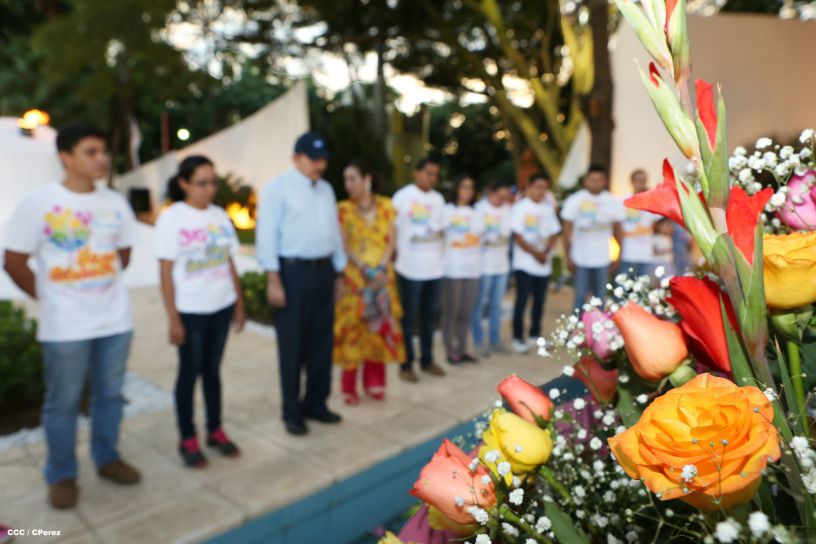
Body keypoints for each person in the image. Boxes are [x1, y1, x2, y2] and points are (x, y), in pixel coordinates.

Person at [3, 125, 141, 510]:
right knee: (63, 403)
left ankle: (107, 457)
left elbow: (123, 254)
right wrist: (47, 296)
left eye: (104, 151)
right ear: (65, 157)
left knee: (110, 396)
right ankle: (61, 474)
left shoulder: (116, 203)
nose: (101, 158)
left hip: (115, 321)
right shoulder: (39, 203)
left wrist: (95, 280)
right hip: (65, 326)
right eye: (90, 152)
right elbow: (13, 260)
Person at [155, 155, 246, 467]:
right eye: (201, 183)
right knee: (189, 373)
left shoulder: (220, 216)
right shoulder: (172, 219)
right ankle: (187, 436)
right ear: (184, 183)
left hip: (220, 306)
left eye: (213, 183)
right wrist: (173, 318)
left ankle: (215, 430)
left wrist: (239, 303)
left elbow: (228, 261)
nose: (209, 189)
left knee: (212, 371)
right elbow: (165, 271)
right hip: (191, 311)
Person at [256, 132, 347, 436]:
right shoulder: (277, 188)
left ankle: (316, 403)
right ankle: (292, 411)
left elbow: (333, 232)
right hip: (292, 273)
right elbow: (266, 234)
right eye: (313, 159)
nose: (320, 165)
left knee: (321, 343)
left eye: (323, 160)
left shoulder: (326, 189)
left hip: (323, 272)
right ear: (296, 157)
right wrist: (273, 279)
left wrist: (338, 273)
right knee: (293, 346)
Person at [333, 161, 405, 405]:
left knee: (377, 330)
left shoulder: (387, 206)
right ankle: (349, 386)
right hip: (355, 281)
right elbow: (344, 244)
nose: (347, 184)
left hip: (382, 279)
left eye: (352, 178)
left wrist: (381, 268)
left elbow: (391, 241)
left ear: (367, 179)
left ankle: (374, 382)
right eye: (345, 180)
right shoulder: (343, 209)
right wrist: (364, 268)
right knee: (354, 331)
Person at [392, 158, 447, 382]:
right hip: (409, 268)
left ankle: (427, 360)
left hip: (433, 269)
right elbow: (392, 229)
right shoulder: (402, 197)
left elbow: (442, 231)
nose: (432, 178)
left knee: (429, 318)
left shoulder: (438, 199)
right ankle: (406, 364)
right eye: (428, 173)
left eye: (435, 174)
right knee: (407, 318)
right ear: (416, 172)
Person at [561, 165, 625, 312]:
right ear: (585, 181)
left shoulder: (611, 200)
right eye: (592, 179)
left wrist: (619, 255)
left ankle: (599, 326)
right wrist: (568, 256)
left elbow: (618, 229)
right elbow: (567, 230)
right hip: (580, 257)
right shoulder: (575, 200)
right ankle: (577, 325)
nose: (595, 183)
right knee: (580, 296)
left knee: (600, 297)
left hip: (602, 258)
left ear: (605, 181)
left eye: (599, 179)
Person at [511, 173, 562, 354]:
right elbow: (518, 236)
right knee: (522, 300)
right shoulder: (520, 207)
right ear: (529, 186)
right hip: (524, 263)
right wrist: (536, 253)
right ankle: (518, 337)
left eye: (544, 188)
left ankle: (535, 335)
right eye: (538, 187)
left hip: (543, 264)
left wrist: (545, 252)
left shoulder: (547, 209)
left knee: (539, 302)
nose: (541, 191)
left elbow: (554, 233)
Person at [441, 175, 482, 365]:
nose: (467, 191)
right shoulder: (448, 210)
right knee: (452, 311)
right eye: (464, 187)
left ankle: (463, 349)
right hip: (452, 269)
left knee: (466, 312)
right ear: (457, 189)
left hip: (472, 269)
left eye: (470, 188)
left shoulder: (476, 212)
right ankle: (450, 350)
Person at [471, 180, 513, 357]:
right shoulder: (479, 209)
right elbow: (476, 233)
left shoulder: (507, 209)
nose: (502, 200)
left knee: (496, 305)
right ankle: (478, 341)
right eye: (500, 196)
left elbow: (506, 233)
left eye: (505, 197)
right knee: (480, 304)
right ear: (491, 193)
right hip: (483, 266)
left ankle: (495, 340)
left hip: (501, 266)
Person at [620, 169, 659, 278]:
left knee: (643, 284)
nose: (641, 183)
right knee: (624, 284)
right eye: (638, 180)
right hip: (627, 252)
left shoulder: (650, 200)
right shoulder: (623, 200)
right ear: (632, 181)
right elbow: (617, 224)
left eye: (643, 180)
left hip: (645, 252)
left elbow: (657, 221)